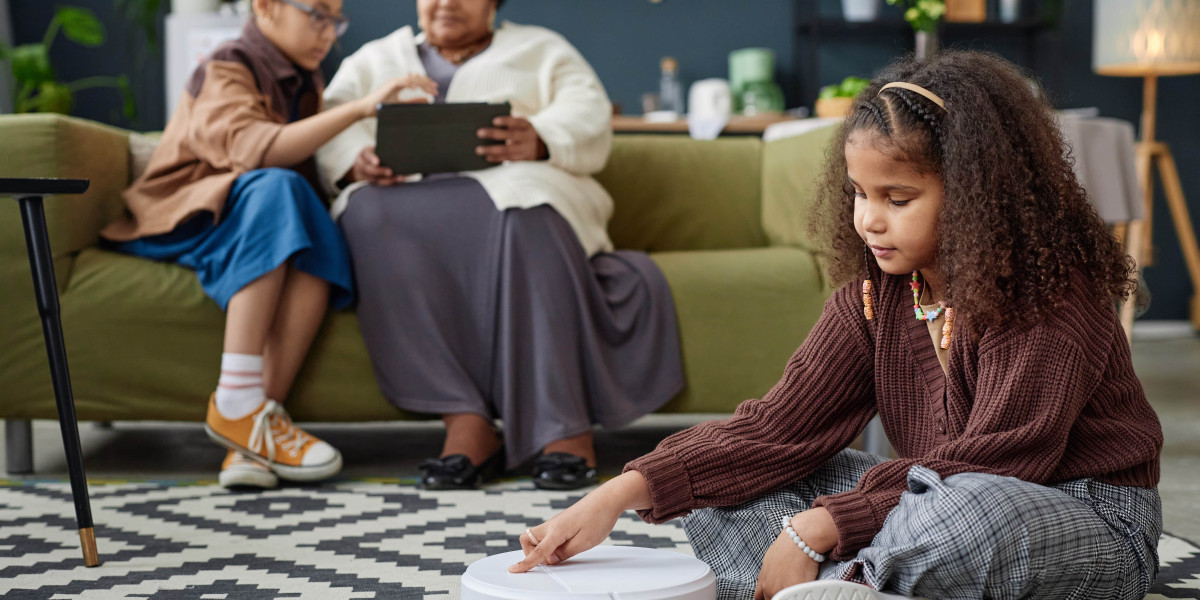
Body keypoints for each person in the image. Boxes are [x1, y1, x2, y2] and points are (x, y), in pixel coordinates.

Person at [509, 51, 1164, 600]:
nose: (869, 220)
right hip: (921, 498)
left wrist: (819, 527)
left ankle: (836, 577)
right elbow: (775, 429)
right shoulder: (876, 293)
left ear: (975, 193)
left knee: (965, 511)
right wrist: (613, 497)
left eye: (897, 199)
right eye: (858, 192)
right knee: (718, 484)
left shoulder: (1050, 290)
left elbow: (1001, 462)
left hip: (1074, 511)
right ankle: (847, 583)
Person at [315, 0, 683, 491]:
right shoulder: (373, 59)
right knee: (366, 213)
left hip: (517, 194)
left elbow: (588, 113)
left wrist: (541, 138)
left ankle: (564, 429)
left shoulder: (541, 48)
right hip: (410, 207)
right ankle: (464, 423)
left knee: (524, 209)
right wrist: (356, 161)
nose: (444, 3)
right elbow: (331, 123)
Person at [102, 0, 434, 489]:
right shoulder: (226, 65)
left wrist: (355, 166)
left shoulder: (305, 79)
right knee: (277, 187)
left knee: (321, 235)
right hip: (191, 213)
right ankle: (236, 398)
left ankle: (254, 426)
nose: (328, 31)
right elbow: (255, 152)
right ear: (266, 7)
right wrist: (363, 109)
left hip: (261, 217)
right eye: (316, 14)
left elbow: (303, 163)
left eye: (335, 18)